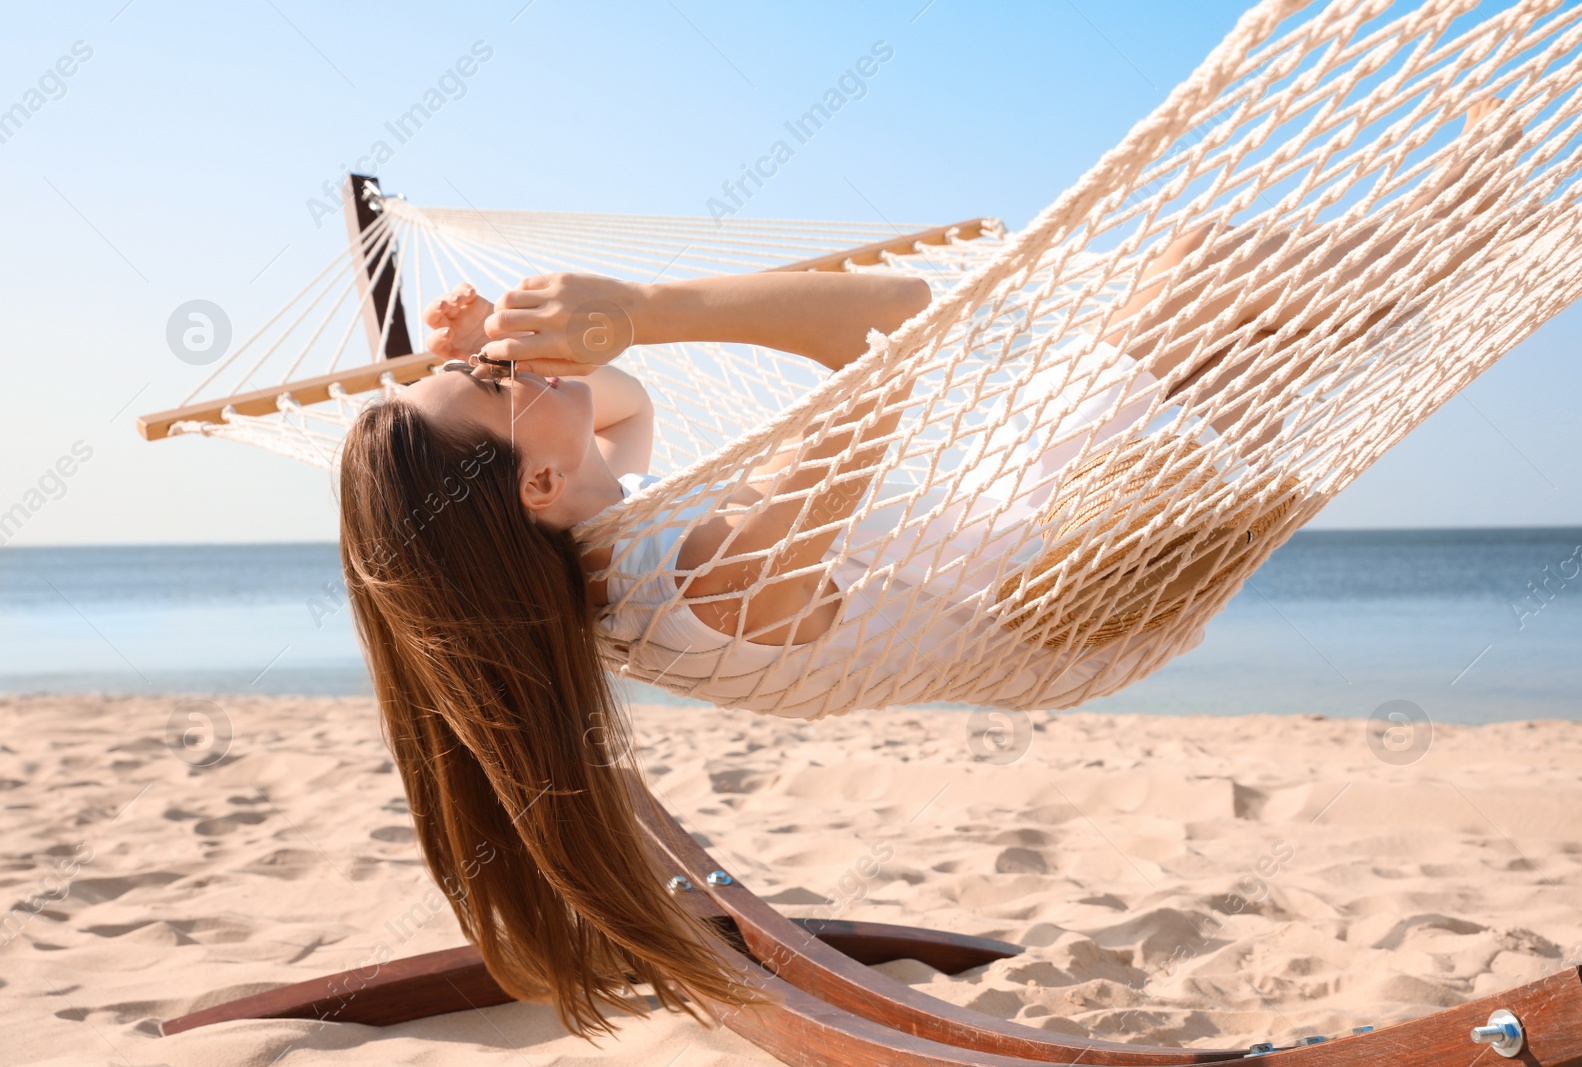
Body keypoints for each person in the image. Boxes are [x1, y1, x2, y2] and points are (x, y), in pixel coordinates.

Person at [338, 99, 1518, 1035]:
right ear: (533, 489)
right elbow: (890, 318)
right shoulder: (703, 578)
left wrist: (483, 358)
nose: (511, 360)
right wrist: (639, 306)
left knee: (1247, 297)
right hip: (1079, 562)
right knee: (1212, 270)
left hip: (1025, 500)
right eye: (497, 384)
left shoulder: (603, 535)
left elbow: (617, 407)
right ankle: (1466, 223)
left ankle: (1446, 247)